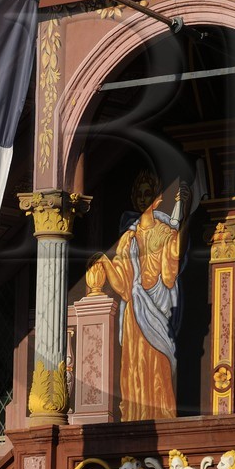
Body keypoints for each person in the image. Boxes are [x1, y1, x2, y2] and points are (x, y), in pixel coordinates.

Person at [86, 173, 189, 420]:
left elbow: (172, 263)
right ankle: (135, 417)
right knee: (134, 367)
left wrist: (184, 214)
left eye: (149, 193)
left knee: (159, 364)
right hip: (134, 310)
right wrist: (105, 262)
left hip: (158, 307)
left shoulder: (166, 232)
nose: (144, 198)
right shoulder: (128, 238)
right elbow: (122, 281)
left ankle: (161, 416)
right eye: (140, 194)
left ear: (157, 199)